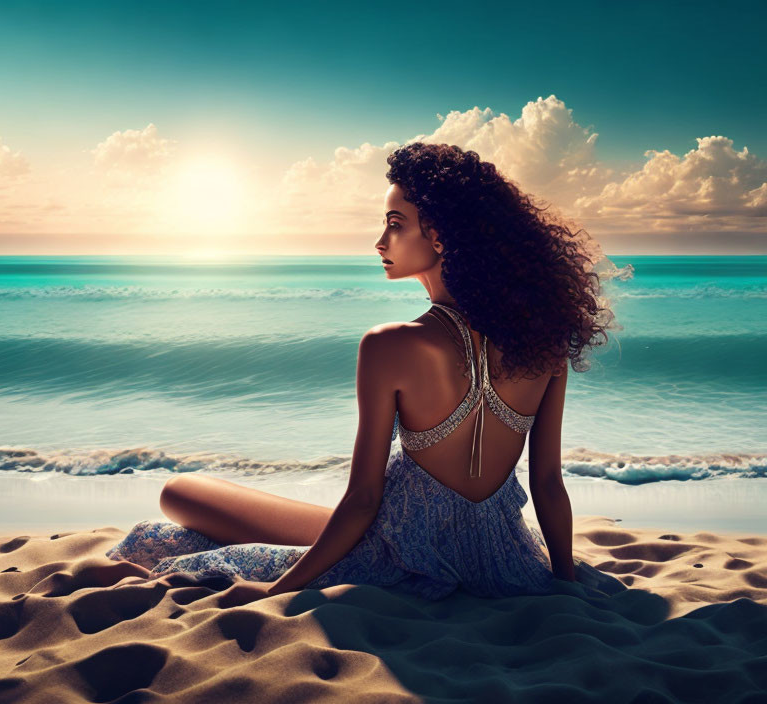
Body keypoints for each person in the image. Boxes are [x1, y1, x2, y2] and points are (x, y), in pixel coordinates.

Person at [105, 142, 617, 607]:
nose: (381, 240)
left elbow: (364, 499)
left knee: (180, 493)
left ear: (438, 238)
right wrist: (564, 582)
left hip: (393, 548)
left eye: (395, 223)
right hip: (504, 559)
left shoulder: (389, 345)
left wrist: (278, 590)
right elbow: (548, 483)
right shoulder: (545, 341)